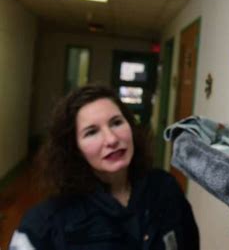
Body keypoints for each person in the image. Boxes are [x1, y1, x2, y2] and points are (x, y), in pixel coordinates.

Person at [9, 85, 199, 250]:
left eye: (116, 123)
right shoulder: (46, 222)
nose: (112, 139)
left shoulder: (165, 188)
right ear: (73, 147)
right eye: (91, 132)